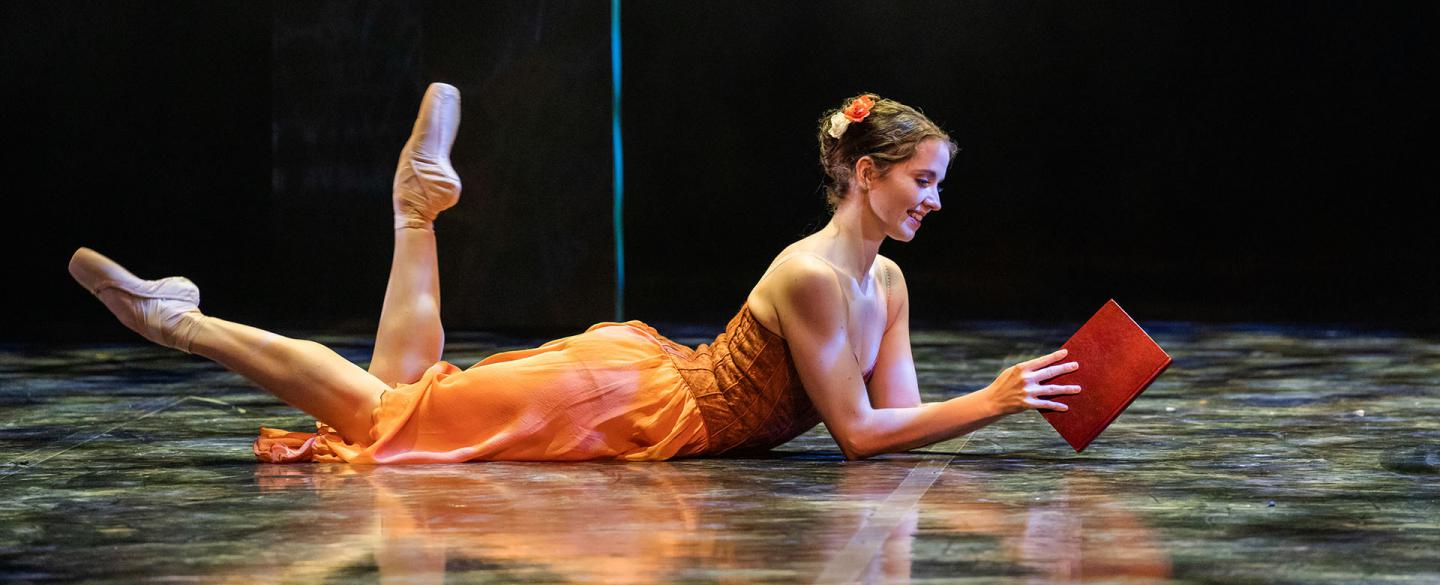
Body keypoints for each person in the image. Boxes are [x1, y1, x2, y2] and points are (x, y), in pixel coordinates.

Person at [69, 84, 1082, 463]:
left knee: (406, 404)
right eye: (923, 181)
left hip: (646, 398)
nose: (934, 202)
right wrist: (994, 400)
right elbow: (860, 437)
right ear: (868, 175)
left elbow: (895, 421)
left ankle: (413, 215)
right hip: (623, 402)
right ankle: (183, 324)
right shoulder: (813, 273)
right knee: (385, 420)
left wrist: (1014, 399)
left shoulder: (888, 287)